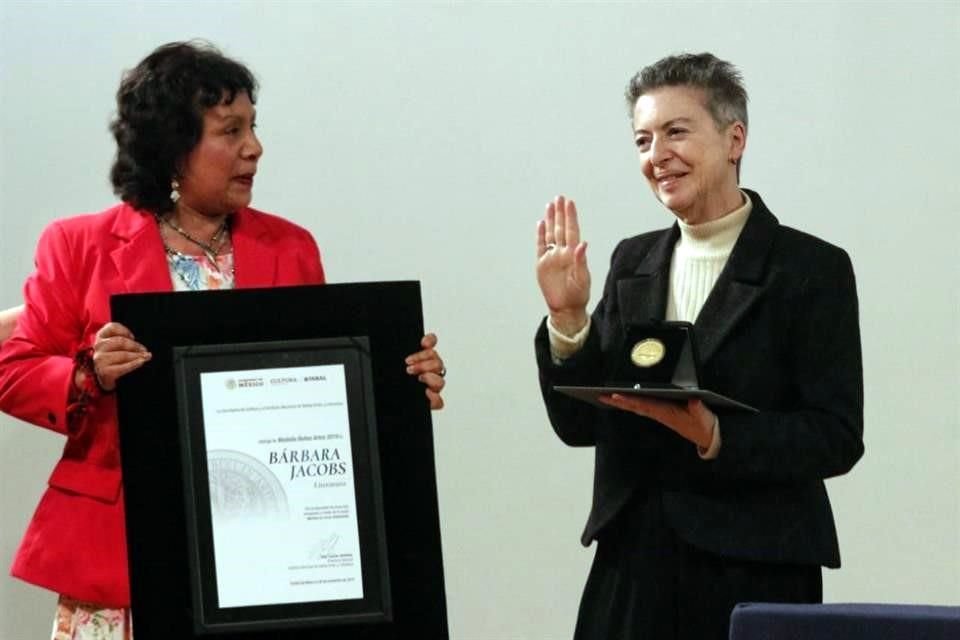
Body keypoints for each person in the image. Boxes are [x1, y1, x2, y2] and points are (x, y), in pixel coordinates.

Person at [0, 41, 446, 640]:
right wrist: (90, 373)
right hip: (123, 558)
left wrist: (398, 378)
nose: (254, 148)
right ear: (172, 145)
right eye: (229, 130)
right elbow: (15, 368)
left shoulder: (292, 248)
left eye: (253, 127)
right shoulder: (77, 245)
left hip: (266, 561)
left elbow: (319, 382)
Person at [534, 53, 863, 639]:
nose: (656, 156)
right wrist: (569, 322)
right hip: (631, 564)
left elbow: (836, 437)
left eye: (676, 132)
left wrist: (716, 437)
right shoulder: (631, 261)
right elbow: (580, 424)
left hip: (755, 569)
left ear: (734, 139)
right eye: (642, 140)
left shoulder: (810, 269)